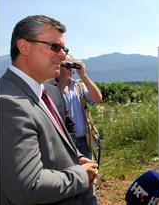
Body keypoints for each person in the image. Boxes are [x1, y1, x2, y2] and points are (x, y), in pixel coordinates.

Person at [0, 15, 98, 204]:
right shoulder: (6, 103)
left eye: (63, 49)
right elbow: (28, 186)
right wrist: (81, 176)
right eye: (54, 47)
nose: (62, 55)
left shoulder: (48, 92)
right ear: (24, 47)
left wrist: (78, 157)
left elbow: (52, 143)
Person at [52, 54, 102, 205]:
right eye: (65, 65)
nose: (69, 69)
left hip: (83, 141)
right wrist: (62, 81)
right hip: (63, 144)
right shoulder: (50, 87)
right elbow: (54, 104)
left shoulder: (79, 86)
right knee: (68, 180)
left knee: (89, 180)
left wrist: (83, 74)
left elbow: (97, 97)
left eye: (71, 65)